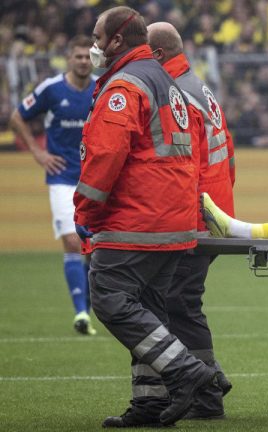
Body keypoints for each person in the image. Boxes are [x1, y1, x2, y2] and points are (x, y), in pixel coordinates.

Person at [74, 6, 219, 427]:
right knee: (150, 311)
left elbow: (106, 155)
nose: (95, 45)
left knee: (109, 297)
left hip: (138, 219)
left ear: (118, 39)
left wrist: (85, 209)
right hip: (172, 219)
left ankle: (187, 371)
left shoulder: (125, 84)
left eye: (99, 37)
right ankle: (151, 402)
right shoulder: (164, 80)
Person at [147, 21, 235, 420]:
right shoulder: (198, 87)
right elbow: (227, 153)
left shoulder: (176, 92)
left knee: (178, 301)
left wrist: (193, 215)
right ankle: (204, 387)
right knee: (179, 301)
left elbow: (183, 167)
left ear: (157, 55)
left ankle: (207, 389)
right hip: (212, 211)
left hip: (196, 217)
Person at [9, 35, 97, 335]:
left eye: (88, 56)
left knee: (95, 247)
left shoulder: (102, 88)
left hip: (96, 179)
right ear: (68, 58)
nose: (83, 61)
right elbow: (17, 117)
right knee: (73, 241)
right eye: (78, 56)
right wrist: (38, 151)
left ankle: (89, 302)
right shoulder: (51, 89)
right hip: (62, 176)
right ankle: (82, 313)